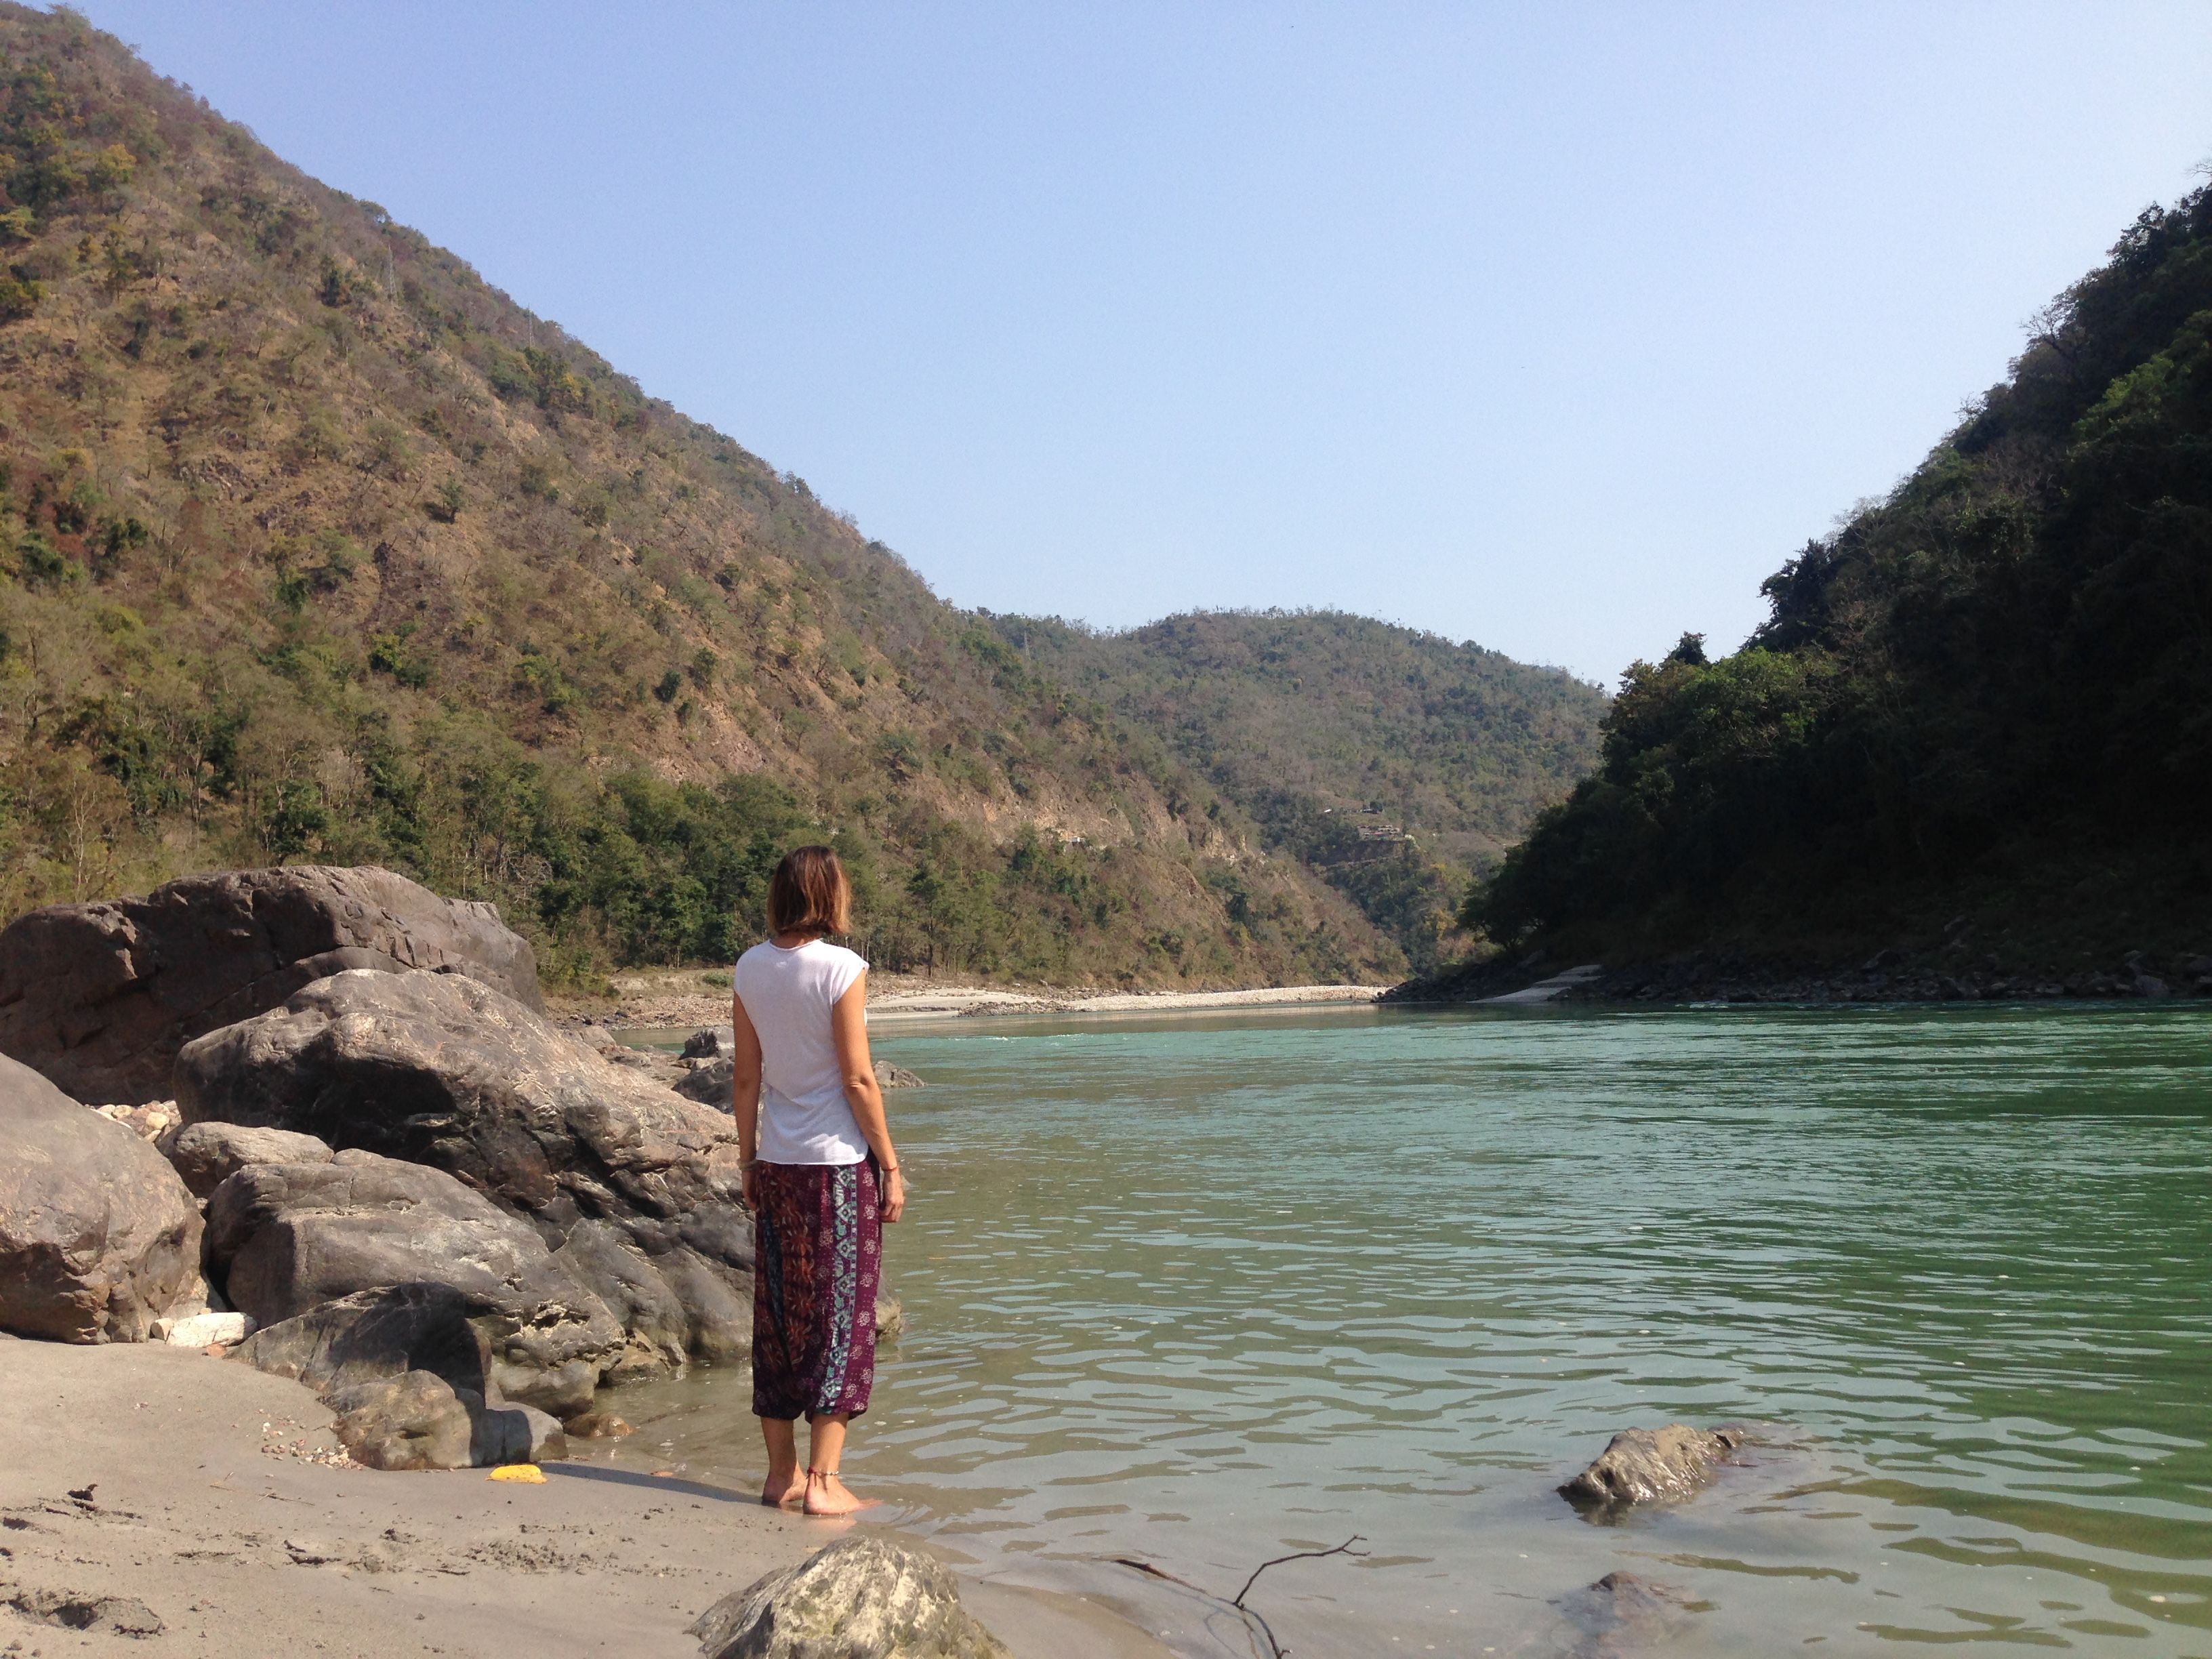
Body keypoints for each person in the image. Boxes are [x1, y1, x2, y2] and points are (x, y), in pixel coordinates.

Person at [729, 845, 907, 1517]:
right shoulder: (841, 968)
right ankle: (825, 1484)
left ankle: (782, 1476)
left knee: (778, 1319)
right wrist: (889, 1164)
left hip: (776, 1164)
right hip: (836, 1169)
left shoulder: (749, 967)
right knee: (841, 1321)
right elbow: (859, 1078)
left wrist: (747, 1159)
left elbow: (746, 1078)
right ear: (828, 896)